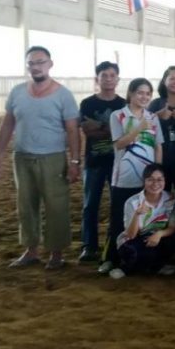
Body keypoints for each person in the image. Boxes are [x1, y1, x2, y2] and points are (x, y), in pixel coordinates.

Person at [0, 46, 81, 270]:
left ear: (50, 64)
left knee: (56, 205)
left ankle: (56, 253)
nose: (36, 67)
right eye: (31, 63)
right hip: (22, 158)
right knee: (26, 205)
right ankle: (31, 250)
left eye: (40, 62)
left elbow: (72, 130)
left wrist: (74, 161)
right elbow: (7, 123)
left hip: (53, 158)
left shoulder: (63, 95)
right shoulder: (17, 92)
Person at [100, 78, 165, 275]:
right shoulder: (118, 115)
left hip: (147, 181)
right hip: (124, 178)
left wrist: (158, 173)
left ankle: (133, 257)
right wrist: (138, 128)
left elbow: (158, 146)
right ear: (130, 93)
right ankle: (110, 259)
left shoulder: (153, 117)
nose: (144, 97)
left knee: (142, 220)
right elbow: (119, 144)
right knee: (118, 221)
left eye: (148, 94)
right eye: (140, 93)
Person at [78, 61, 125, 262]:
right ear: (97, 79)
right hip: (94, 161)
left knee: (117, 204)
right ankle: (89, 246)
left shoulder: (123, 104)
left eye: (112, 75)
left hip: (118, 162)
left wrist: (98, 125)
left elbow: (122, 132)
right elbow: (87, 130)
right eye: (104, 75)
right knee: (90, 204)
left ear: (117, 79)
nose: (108, 79)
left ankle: (114, 242)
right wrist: (111, 128)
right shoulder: (87, 103)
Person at [109, 163, 175, 280]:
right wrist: (137, 214)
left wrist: (159, 234)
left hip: (156, 238)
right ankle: (125, 268)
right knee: (137, 253)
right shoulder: (133, 202)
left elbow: (172, 227)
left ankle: (156, 266)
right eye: (150, 180)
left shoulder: (170, 199)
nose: (155, 184)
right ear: (144, 181)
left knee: (172, 242)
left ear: (165, 181)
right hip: (134, 240)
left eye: (159, 180)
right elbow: (131, 235)